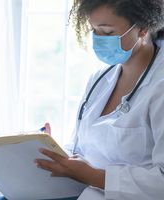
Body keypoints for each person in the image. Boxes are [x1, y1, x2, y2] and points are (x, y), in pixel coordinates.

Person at [34, 0, 164, 199]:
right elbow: (82, 149)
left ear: (143, 28)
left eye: (108, 32)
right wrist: (53, 151)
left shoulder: (159, 86)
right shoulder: (99, 80)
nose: (99, 40)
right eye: (94, 31)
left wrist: (94, 176)